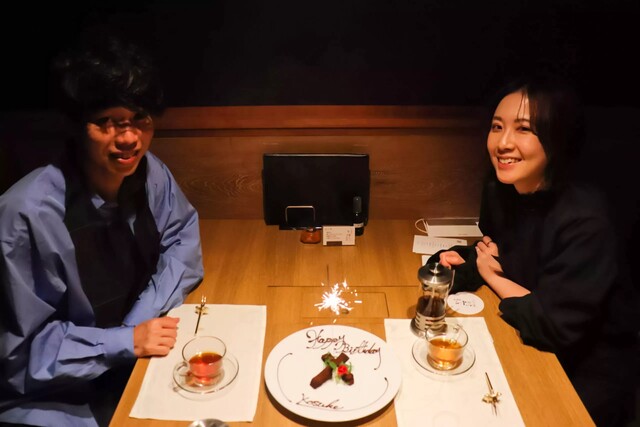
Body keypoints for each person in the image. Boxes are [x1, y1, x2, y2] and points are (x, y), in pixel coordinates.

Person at [0, 29, 204, 426]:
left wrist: (138, 324)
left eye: (140, 119)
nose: (128, 138)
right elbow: (18, 356)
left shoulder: (150, 173)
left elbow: (183, 239)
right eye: (106, 122)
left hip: (131, 362)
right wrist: (124, 341)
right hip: (55, 397)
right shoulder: (25, 216)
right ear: (78, 126)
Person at [430, 75, 639, 426]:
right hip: (530, 333)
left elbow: (552, 325)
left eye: (524, 129)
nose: (503, 143)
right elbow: (504, 254)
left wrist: (492, 276)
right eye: (497, 127)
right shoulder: (503, 189)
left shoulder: (585, 220)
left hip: (584, 367)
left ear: (558, 138)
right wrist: (465, 263)